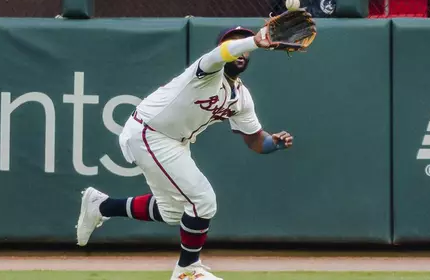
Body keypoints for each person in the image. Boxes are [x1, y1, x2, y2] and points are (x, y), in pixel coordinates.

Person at [75, 25, 294, 280]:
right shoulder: (206, 71)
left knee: (173, 212)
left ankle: (101, 206)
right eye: (236, 42)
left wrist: (273, 144)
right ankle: (187, 270)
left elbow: (255, 140)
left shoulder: (242, 98)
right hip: (149, 132)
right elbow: (222, 52)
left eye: (244, 43)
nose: (241, 48)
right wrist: (253, 41)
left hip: (175, 141)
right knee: (203, 200)